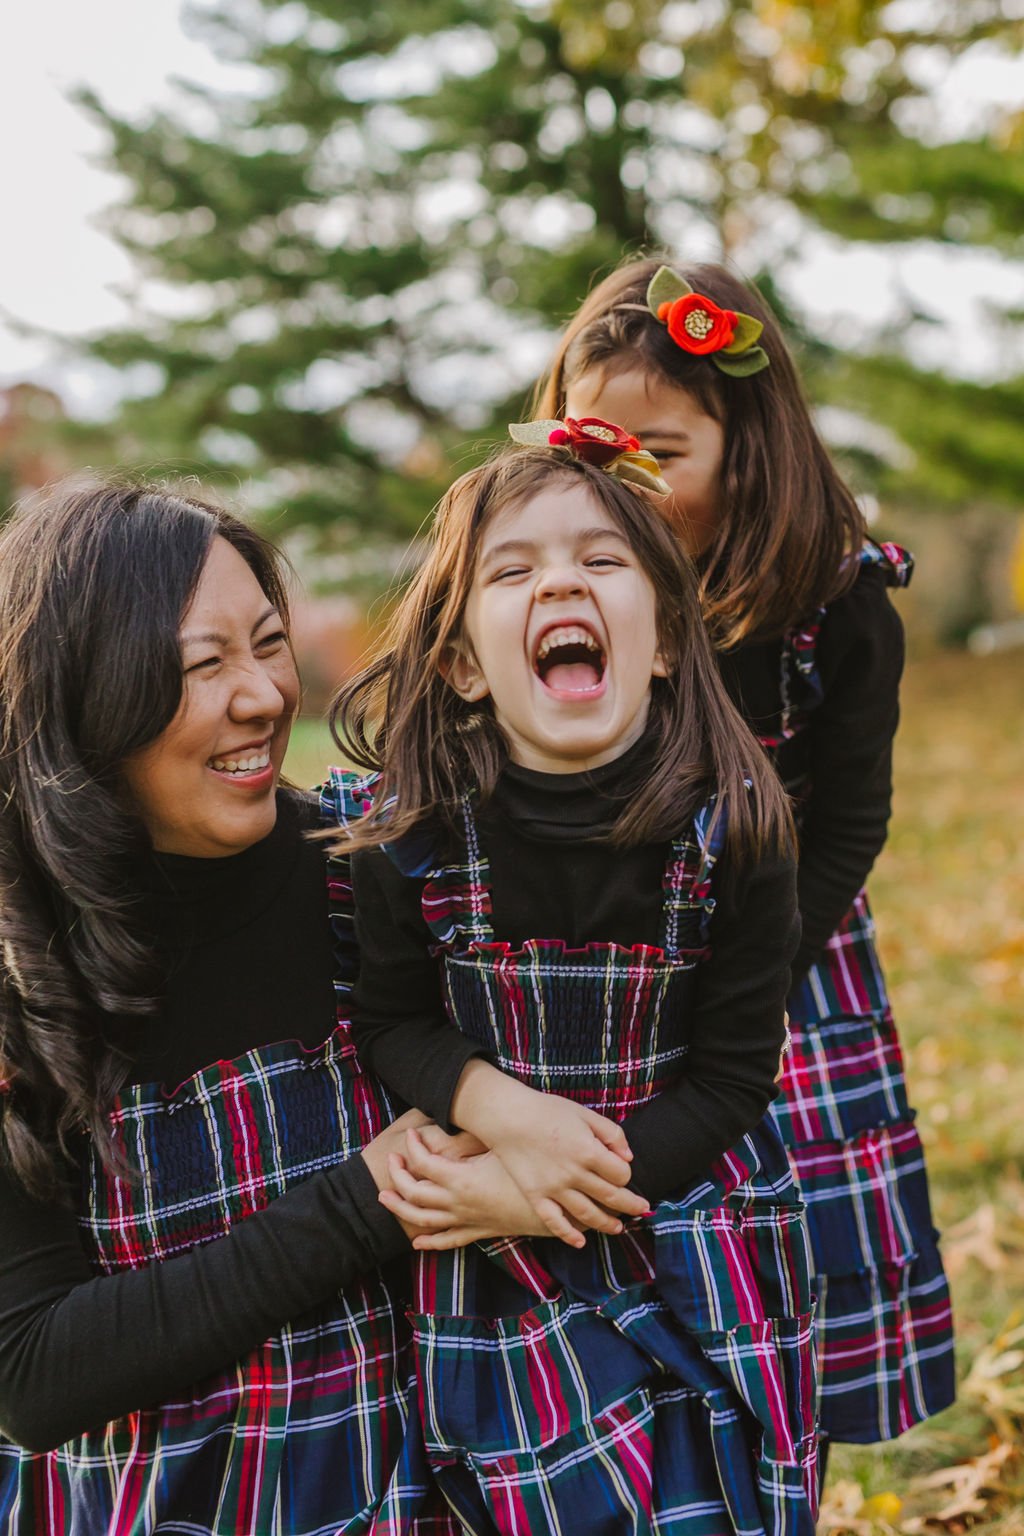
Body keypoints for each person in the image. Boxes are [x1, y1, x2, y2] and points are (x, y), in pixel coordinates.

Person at [0, 479, 542, 1536]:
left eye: (267, 642)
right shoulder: (21, 973)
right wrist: (363, 1203)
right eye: (203, 664)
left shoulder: (381, 874)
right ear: (84, 698)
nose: (261, 696)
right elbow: (34, 1373)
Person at [329, 439, 820, 1535]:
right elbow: (394, 1022)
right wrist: (505, 1118)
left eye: (601, 561)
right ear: (461, 662)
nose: (559, 583)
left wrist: (540, 1192)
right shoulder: (408, 835)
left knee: (700, 1496)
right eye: (511, 573)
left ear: (662, 642)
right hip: (488, 1255)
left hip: (680, 1216)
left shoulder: (735, 831)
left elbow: (734, 1080)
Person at [533, 257, 957, 1461]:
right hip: (602, 955)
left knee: (785, 1216)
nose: (620, 478)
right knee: (622, 1219)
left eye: (661, 452)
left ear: (749, 446)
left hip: (783, 957)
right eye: (590, 442)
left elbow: (851, 822)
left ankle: (787, 1439)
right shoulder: (564, 590)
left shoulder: (833, 606)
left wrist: (756, 968)